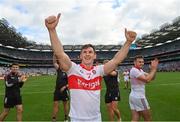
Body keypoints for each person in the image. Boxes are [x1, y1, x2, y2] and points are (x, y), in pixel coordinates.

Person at [45, 13, 137, 121]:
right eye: (84, 52)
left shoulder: (99, 70)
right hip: (77, 118)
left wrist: (128, 42)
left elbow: (116, 60)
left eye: (90, 52)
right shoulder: (73, 69)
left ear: (95, 55)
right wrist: (52, 30)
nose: (87, 54)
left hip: (95, 118)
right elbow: (59, 53)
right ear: (80, 56)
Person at [129, 55, 159, 121]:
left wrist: (154, 69)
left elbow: (152, 78)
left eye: (142, 62)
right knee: (148, 119)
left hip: (133, 96)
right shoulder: (134, 70)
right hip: (139, 97)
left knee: (135, 118)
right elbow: (147, 80)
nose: (141, 63)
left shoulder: (140, 70)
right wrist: (153, 69)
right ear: (134, 62)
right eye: (139, 62)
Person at [52, 54, 69, 122]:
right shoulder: (59, 70)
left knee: (65, 105)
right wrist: (55, 54)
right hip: (57, 90)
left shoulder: (68, 72)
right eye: (61, 63)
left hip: (64, 91)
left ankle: (66, 118)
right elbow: (54, 62)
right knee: (55, 104)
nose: (61, 65)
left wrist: (64, 87)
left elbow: (70, 82)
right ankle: (54, 118)